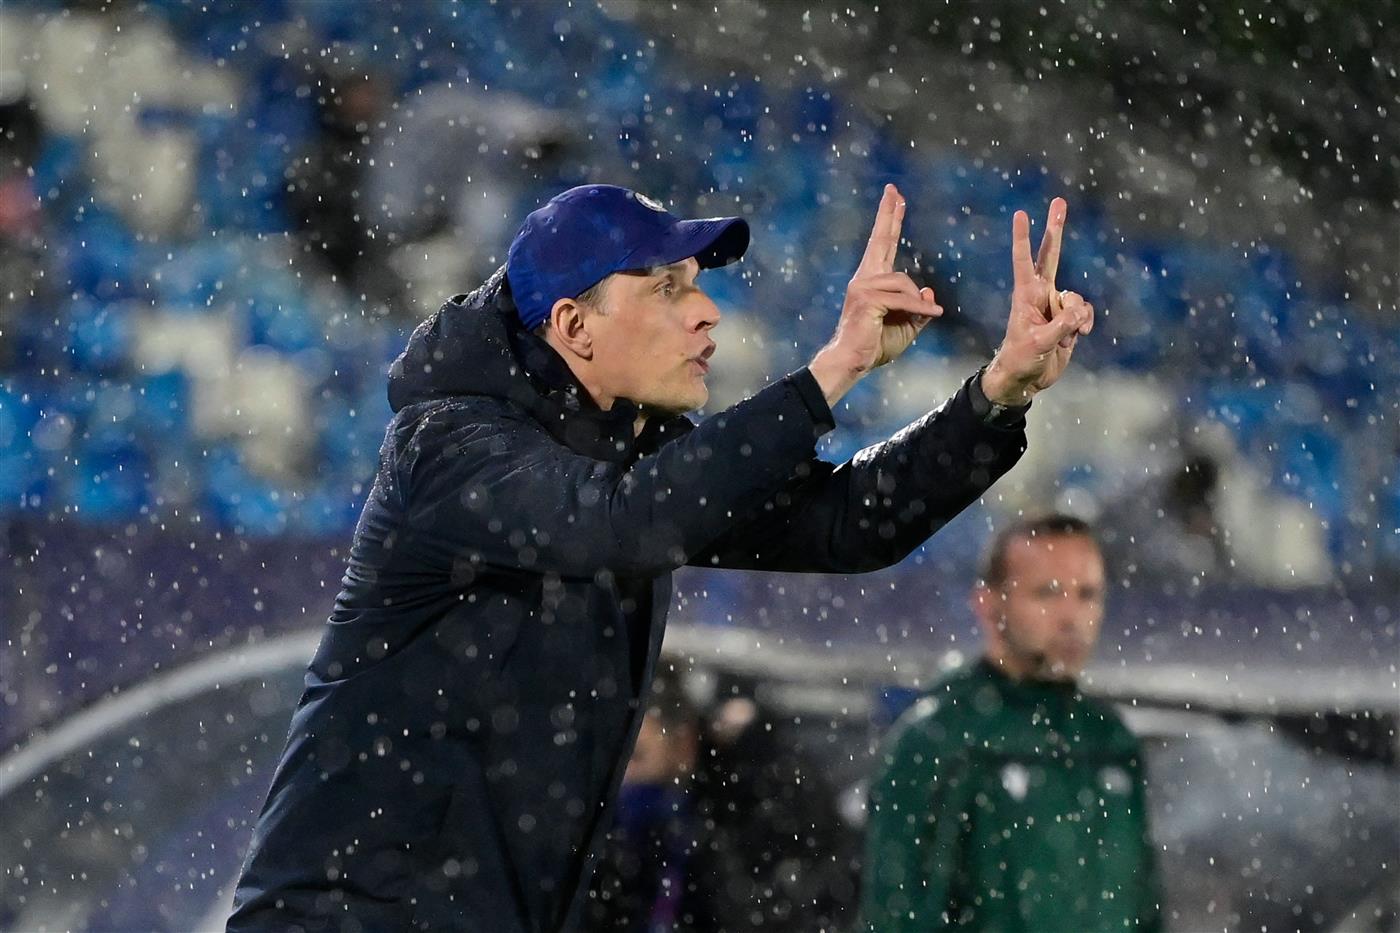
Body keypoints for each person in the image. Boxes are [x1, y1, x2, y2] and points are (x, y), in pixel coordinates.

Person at [228, 181, 1094, 932]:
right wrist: (832, 370)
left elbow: (847, 523)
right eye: (669, 287)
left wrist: (993, 397)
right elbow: (628, 520)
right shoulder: (451, 445)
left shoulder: (628, 461)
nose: (706, 309)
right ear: (573, 323)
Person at [861, 514, 1162, 932]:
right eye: (1047, 593)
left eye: (1088, 594)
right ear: (988, 604)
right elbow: (898, 917)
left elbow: (1142, 910)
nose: (1071, 616)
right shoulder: (937, 742)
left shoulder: (1110, 740)